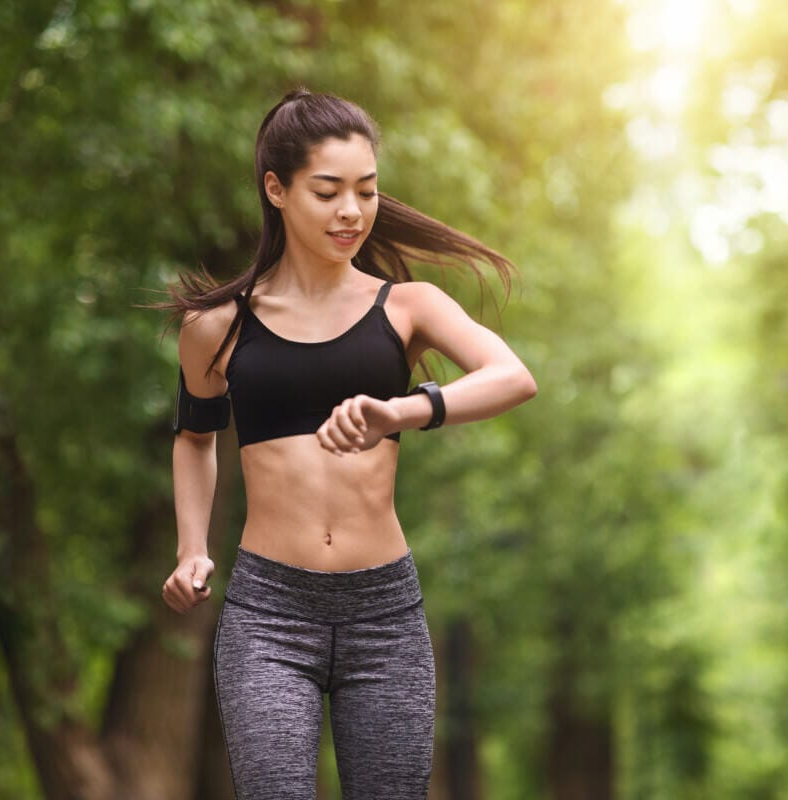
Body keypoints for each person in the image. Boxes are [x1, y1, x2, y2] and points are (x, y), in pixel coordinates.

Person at [153, 88, 537, 800]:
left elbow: (513, 377)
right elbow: (196, 438)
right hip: (268, 617)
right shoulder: (216, 327)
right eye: (328, 192)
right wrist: (191, 546)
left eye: (366, 190)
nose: (353, 211)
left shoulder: (406, 307)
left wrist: (404, 411)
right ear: (277, 189)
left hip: (384, 615)